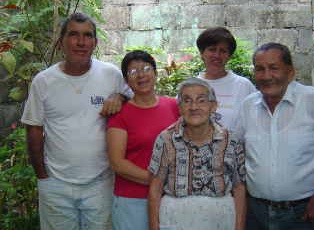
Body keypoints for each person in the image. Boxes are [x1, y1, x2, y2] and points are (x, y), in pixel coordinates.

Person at [21, 12, 132, 230]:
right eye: (73, 35)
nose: (81, 42)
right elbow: (34, 128)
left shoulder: (110, 75)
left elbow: (133, 98)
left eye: (87, 36)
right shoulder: (44, 81)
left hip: (100, 183)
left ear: (95, 42)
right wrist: (42, 177)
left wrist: (120, 96)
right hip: (56, 184)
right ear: (61, 42)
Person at [148, 77, 246, 230]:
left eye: (201, 100)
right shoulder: (166, 138)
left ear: (213, 106)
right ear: (179, 108)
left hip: (220, 218)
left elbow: (239, 187)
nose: (194, 107)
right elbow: (156, 186)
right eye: (187, 101)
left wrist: (239, 227)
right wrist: (154, 227)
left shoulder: (230, 140)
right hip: (174, 218)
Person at [235, 42, 314, 229]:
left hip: (303, 215)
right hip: (256, 214)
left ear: (290, 71)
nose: (266, 76)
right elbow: (237, 150)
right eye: (260, 69)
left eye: (274, 68)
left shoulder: (310, 101)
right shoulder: (248, 105)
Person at [106, 50, 180, 230]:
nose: (141, 75)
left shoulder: (173, 106)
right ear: (126, 80)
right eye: (133, 72)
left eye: (146, 68)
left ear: (155, 73)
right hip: (133, 200)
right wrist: (159, 180)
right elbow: (117, 163)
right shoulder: (120, 115)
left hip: (170, 199)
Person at [196, 27, 256, 129]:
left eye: (223, 51)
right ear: (202, 53)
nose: (217, 55)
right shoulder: (189, 86)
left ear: (229, 56)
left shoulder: (244, 86)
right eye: (212, 49)